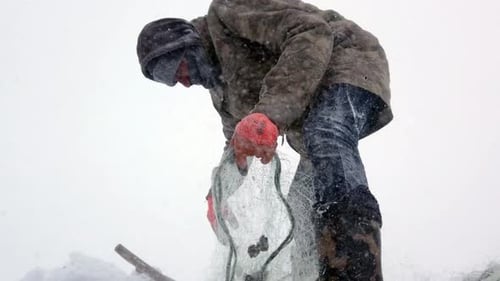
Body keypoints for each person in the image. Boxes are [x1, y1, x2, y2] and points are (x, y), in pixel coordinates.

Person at [137, 0, 392, 279]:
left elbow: (312, 32)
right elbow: (238, 143)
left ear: (185, 41)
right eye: (166, 80)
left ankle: (355, 265)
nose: (180, 81)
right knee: (303, 202)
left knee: (327, 135)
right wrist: (220, 190)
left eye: (171, 67)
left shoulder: (228, 13)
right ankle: (311, 274)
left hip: (346, 60)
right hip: (310, 109)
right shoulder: (224, 92)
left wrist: (268, 113)